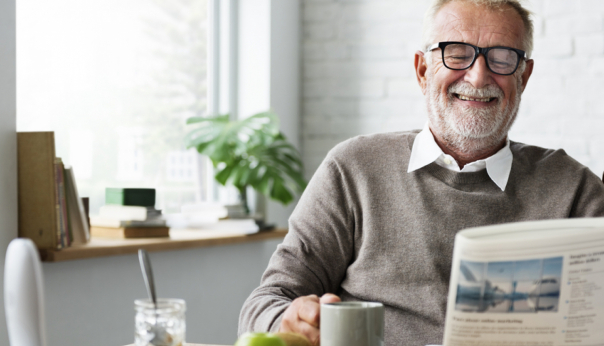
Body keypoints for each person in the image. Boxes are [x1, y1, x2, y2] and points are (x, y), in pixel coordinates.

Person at [238, 0, 604, 345]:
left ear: (523, 77)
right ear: (422, 69)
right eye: (457, 54)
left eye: (503, 59)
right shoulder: (353, 169)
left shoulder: (575, 190)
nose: (478, 77)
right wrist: (289, 317)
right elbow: (266, 302)